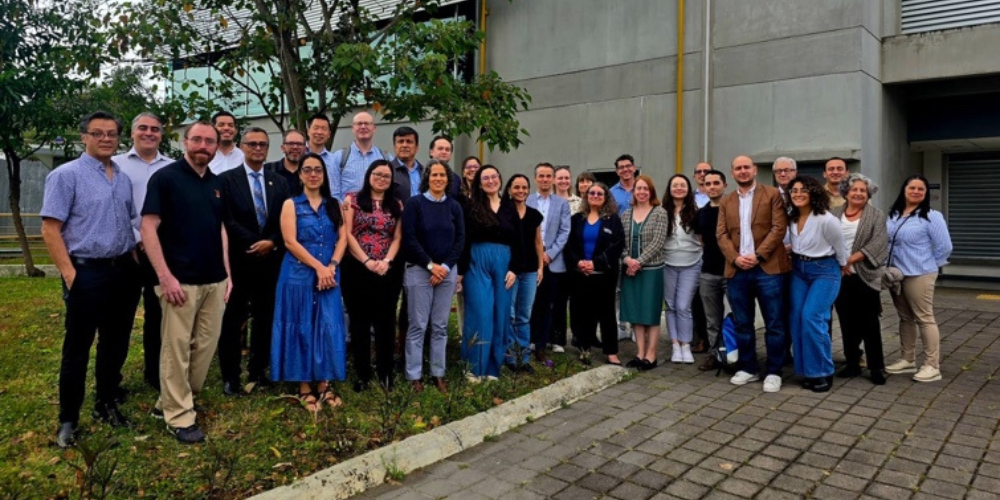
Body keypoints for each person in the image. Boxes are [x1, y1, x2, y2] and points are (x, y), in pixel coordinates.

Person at [42, 111, 142, 448]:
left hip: (123, 272)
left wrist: (132, 258)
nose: (106, 139)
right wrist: (70, 274)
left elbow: (129, 221)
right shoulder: (65, 176)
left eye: (112, 134)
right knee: (77, 348)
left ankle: (106, 402)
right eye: (97, 133)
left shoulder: (123, 178)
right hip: (86, 271)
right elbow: (50, 229)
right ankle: (68, 418)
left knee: (115, 344)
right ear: (84, 136)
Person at [141, 121, 232, 443]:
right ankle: (179, 416)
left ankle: (170, 399)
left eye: (210, 141)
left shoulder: (217, 184)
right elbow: (148, 227)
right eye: (197, 139)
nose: (203, 146)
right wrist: (165, 277)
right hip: (180, 282)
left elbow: (220, 229)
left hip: (214, 281)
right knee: (176, 348)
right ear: (184, 142)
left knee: (205, 347)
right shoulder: (165, 179)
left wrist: (228, 273)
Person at [270, 152, 348, 411]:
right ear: (300, 174)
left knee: (327, 323)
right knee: (301, 324)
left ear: (324, 175)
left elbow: (343, 239)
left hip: (329, 274)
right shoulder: (291, 204)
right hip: (298, 274)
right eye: (307, 170)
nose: (313, 174)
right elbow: (290, 241)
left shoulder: (334, 204)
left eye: (318, 170)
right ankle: (304, 385)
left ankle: (324, 383)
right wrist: (319, 268)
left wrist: (332, 267)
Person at [217, 128, 290, 395]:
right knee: (233, 320)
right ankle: (231, 376)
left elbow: (285, 218)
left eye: (263, 144)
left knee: (265, 318)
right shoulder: (226, 180)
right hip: (239, 261)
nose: (258, 148)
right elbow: (227, 219)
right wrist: (253, 242)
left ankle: (258, 371)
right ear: (242, 147)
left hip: (270, 261)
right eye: (252, 144)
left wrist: (271, 241)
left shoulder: (278, 182)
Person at [717, 155, 790, 393]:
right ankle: (748, 368)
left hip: (767, 268)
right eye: (738, 168)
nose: (743, 171)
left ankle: (774, 371)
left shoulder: (772, 195)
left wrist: (758, 255)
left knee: (775, 324)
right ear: (733, 172)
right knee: (743, 324)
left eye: (746, 167)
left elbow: (779, 228)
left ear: (755, 170)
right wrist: (736, 258)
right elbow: (721, 235)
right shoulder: (727, 201)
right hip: (737, 270)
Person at [114, 112, 173, 391]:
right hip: (127, 252)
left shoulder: (173, 168)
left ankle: (154, 374)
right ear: (133, 133)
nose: (149, 133)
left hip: (161, 254)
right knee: (120, 319)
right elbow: (111, 209)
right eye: (143, 128)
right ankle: (112, 379)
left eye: (155, 129)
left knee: (157, 316)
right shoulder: (115, 165)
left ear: (161, 135)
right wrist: (137, 238)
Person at [402, 161, 465, 392]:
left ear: (448, 179)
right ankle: (413, 375)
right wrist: (431, 266)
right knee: (418, 324)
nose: (438, 178)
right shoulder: (414, 204)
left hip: (447, 272)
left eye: (442, 175)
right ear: (426, 178)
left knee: (440, 326)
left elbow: (460, 240)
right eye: (434, 174)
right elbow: (409, 239)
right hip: (419, 271)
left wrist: (445, 268)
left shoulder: (454, 206)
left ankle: (438, 373)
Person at [342, 160, 404, 392]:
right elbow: (346, 234)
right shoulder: (352, 200)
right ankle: (363, 374)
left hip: (387, 270)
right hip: (357, 269)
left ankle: (385, 373)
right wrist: (367, 261)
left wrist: (386, 261)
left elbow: (397, 237)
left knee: (386, 323)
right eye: (377, 174)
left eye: (386, 176)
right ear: (369, 175)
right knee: (359, 323)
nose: (381, 179)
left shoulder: (396, 204)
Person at [884, 175, 953, 383]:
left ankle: (932, 365)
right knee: (905, 317)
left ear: (925, 194)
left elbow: (945, 247)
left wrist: (928, 265)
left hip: (919, 273)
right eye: (912, 188)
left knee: (924, 317)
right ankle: (908, 359)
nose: (915, 192)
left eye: (920, 189)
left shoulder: (932, 216)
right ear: (904, 190)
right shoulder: (894, 215)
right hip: (896, 274)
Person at [787, 176, 849, 393]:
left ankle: (823, 371)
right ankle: (806, 370)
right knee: (796, 318)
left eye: (803, 190)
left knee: (812, 317)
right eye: (794, 191)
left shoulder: (826, 219)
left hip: (825, 271)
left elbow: (840, 247)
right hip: (798, 270)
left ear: (813, 192)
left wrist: (842, 266)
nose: (798, 194)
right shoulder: (791, 218)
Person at [460, 165, 516, 382]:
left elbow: (519, 240)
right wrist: (461, 271)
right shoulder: (471, 206)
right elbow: (464, 239)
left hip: (505, 264)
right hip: (477, 262)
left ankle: (493, 367)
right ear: (479, 182)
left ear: (500, 179)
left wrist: (514, 269)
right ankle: (473, 368)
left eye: (494, 176)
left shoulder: (510, 206)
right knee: (480, 314)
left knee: (501, 315)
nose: (490, 181)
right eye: (485, 178)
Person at [831, 173, 888, 385]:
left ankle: (875, 367)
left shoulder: (876, 215)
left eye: (862, 190)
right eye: (854, 189)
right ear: (846, 192)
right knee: (847, 323)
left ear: (868, 194)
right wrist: (840, 263)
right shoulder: (834, 213)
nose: (858, 193)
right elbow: (825, 238)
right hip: (840, 276)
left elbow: (878, 243)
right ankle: (853, 363)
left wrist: (849, 260)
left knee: (870, 323)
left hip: (865, 276)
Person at [565, 182, 624, 366]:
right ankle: (584, 349)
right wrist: (578, 262)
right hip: (580, 274)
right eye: (592, 193)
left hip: (604, 274)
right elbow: (569, 245)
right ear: (586, 196)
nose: (596, 196)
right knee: (582, 312)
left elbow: (617, 245)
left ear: (606, 197)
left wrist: (595, 262)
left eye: (600, 193)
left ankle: (611, 352)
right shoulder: (576, 219)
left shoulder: (612, 219)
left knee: (607, 314)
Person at [620, 175, 668, 370]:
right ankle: (639, 353)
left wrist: (638, 262)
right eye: (638, 189)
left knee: (650, 312)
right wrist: (626, 260)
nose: (641, 192)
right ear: (634, 192)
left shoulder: (660, 213)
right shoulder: (626, 215)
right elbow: (620, 242)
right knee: (635, 312)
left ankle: (651, 354)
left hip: (651, 270)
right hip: (630, 271)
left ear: (651, 192)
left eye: (645, 189)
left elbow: (658, 242)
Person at [527, 163, 572, 361]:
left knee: (548, 304)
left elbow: (565, 231)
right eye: (541, 176)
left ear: (553, 179)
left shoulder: (562, 204)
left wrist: (549, 254)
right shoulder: (527, 200)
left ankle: (542, 344)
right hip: (530, 259)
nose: (545, 179)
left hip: (553, 261)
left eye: (548, 176)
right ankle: (529, 339)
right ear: (535, 178)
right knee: (530, 302)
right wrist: (536, 255)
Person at [504, 174, 545, 370]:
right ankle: (510, 357)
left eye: (524, 187)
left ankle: (524, 358)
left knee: (524, 316)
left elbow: (538, 242)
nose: (521, 191)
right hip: (510, 271)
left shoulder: (534, 214)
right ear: (510, 189)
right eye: (517, 187)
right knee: (510, 315)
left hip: (529, 271)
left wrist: (540, 267)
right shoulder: (504, 212)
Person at [663, 174, 703, 364]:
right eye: (675, 185)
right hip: (667, 263)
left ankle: (686, 344)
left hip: (692, 263)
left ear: (688, 188)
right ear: (669, 189)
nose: (679, 188)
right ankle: (675, 345)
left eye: (682, 185)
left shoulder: (697, 211)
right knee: (670, 306)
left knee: (683, 306)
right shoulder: (662, 211)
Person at [694, 170, 730, 371]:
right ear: (704, 187)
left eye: (716, 182)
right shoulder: (702, 213)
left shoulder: (734, 209)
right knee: (712, 320)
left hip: (733, 271)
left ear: (725, 185)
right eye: (708, 184)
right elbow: (702, 241)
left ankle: (739, 354)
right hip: (709, 272)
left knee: (740, 317)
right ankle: (715, 355)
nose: (712, 187)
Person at [331, 111, 389, 200]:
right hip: (347, 212)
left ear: (374, 128)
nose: (363, 126)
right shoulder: (339, 157)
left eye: (366, 123)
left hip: (377, 212)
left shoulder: (386, 158)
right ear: (353, 128)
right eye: (359, 124)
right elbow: (334, 193)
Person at [265, 130, 307, 197]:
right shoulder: (268, 170)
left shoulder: (311, 173)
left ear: (305, 149)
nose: (295, 147)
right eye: (291, 143)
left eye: (299, 144)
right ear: (283, 148)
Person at [390, 126, 424, 201]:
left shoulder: (425, 172)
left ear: (417, 148)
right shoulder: (387, 171)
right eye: (400, 141)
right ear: (394, 147)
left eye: (409, 141)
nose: (405, 145)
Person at [428, 135, 464, 199]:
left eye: (447, 150)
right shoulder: (421, 174)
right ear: (431, 152)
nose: (444, 152)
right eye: (440, 149)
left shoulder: (456, 179)